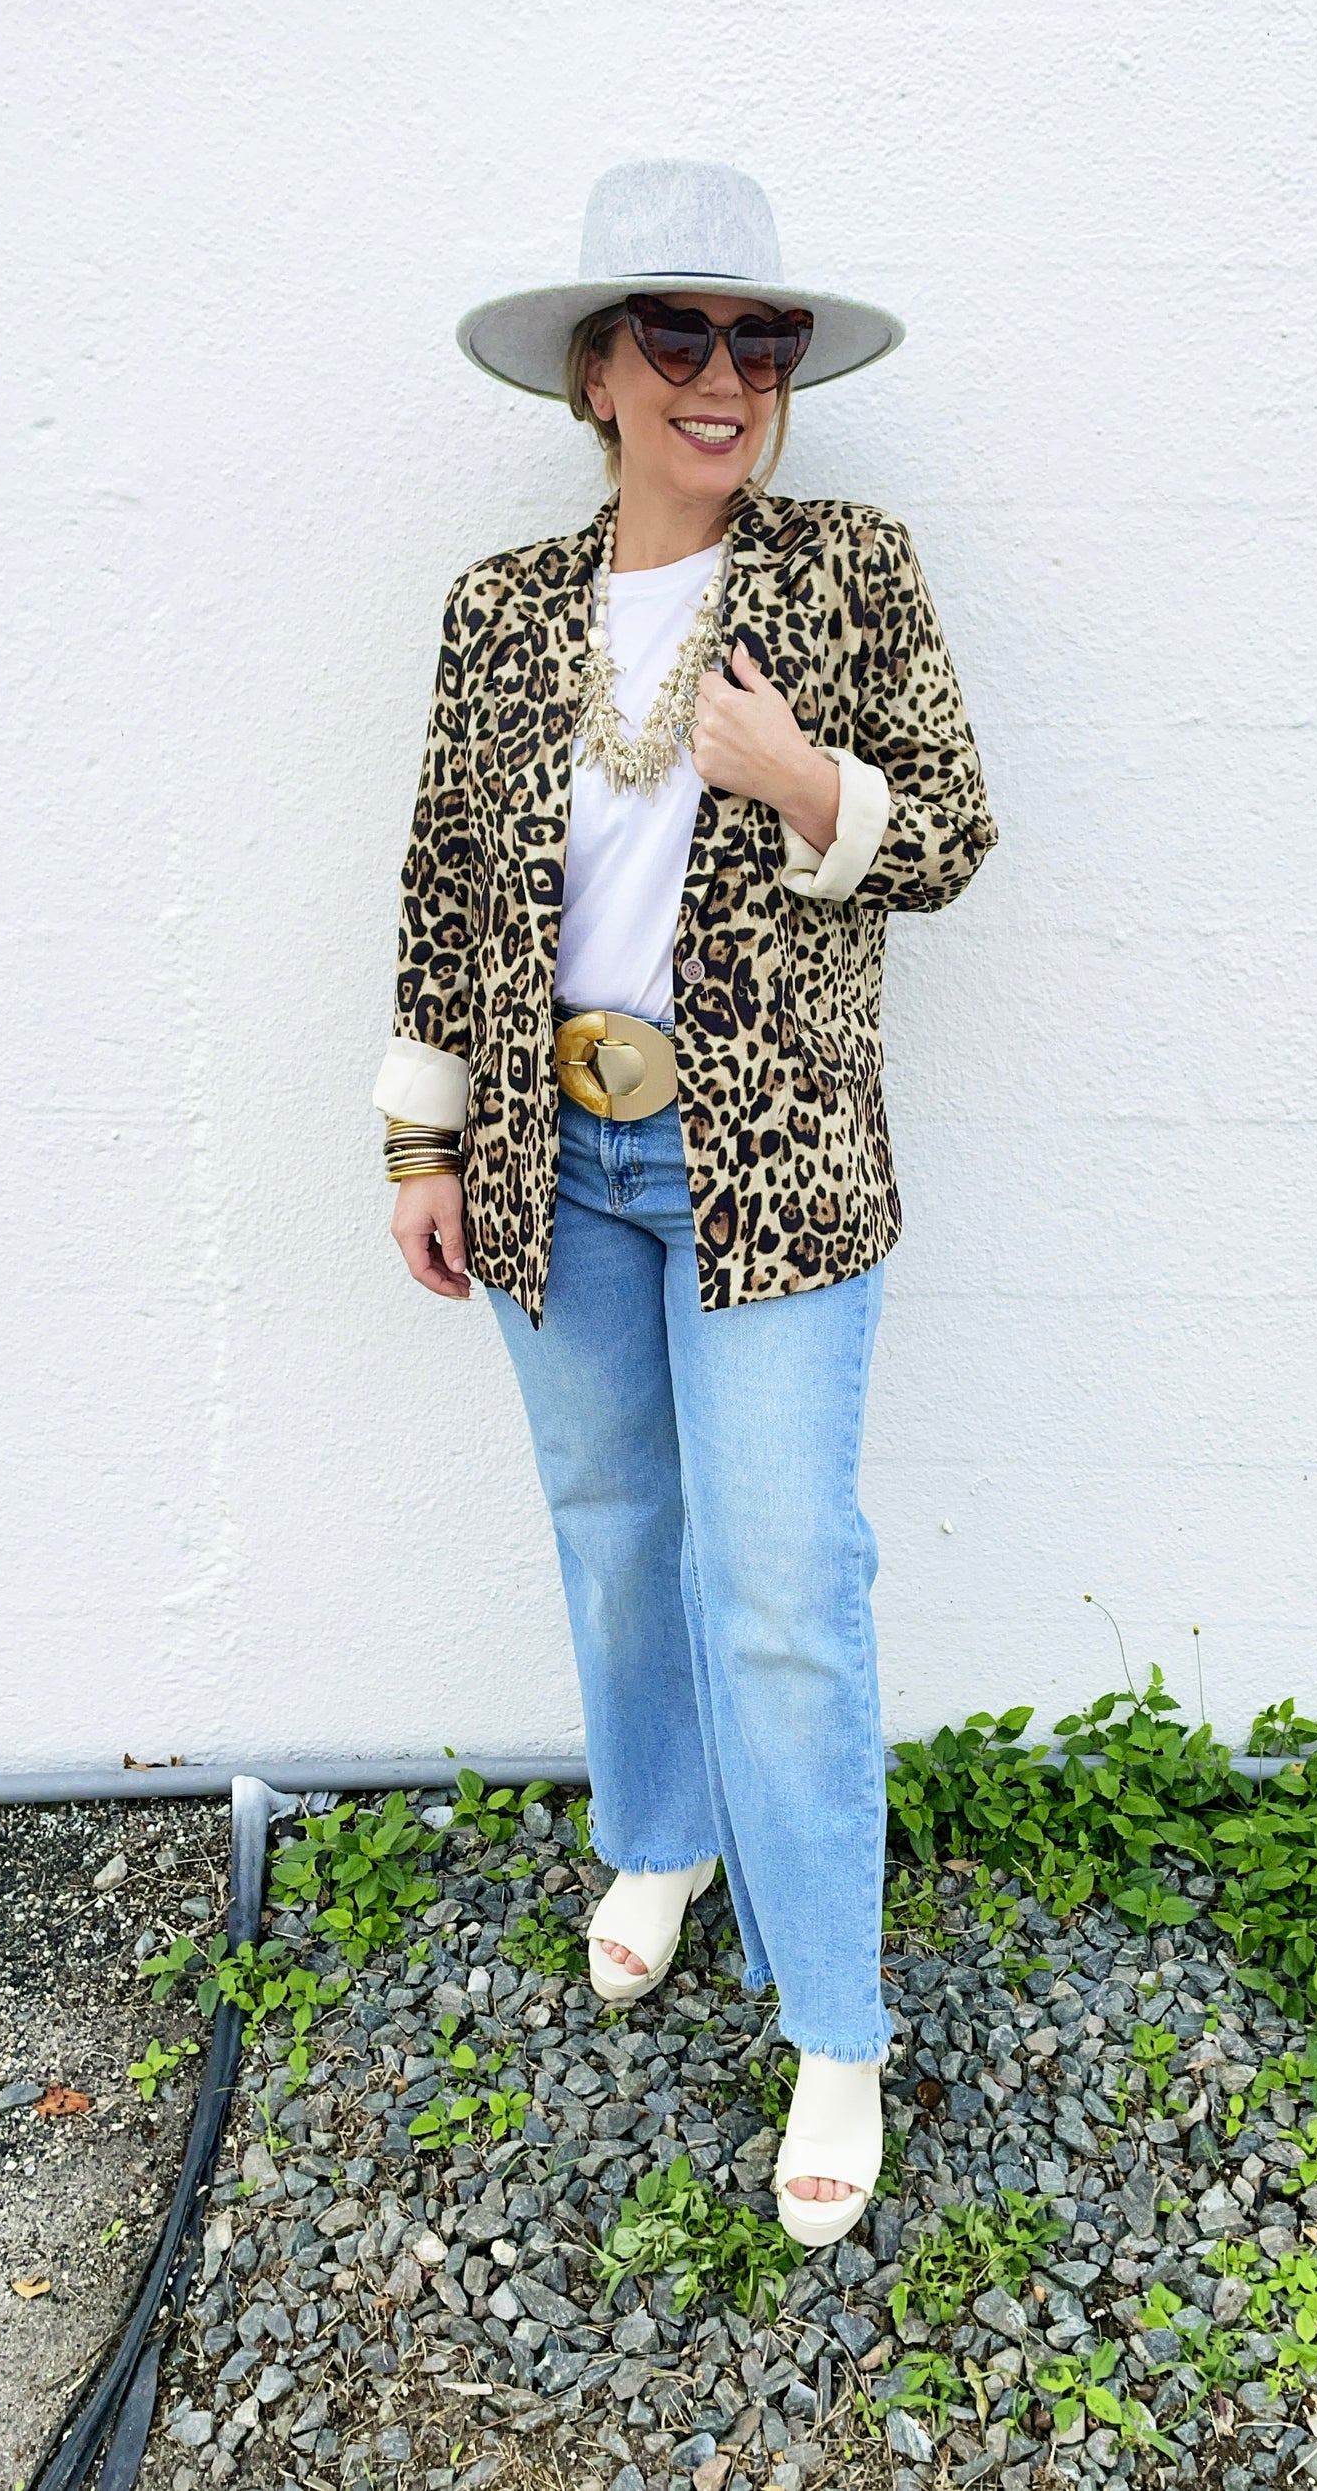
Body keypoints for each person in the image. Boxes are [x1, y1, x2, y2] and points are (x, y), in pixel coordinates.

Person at [374, 160, 997, 2248]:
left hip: (773, 1164)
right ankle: (663, 1832)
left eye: (761, 339)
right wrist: (423, 1137)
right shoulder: (499, 608)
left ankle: (834, 2016)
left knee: (784, 1582)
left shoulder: (848, 569)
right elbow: (443, 882)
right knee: (614, 1522)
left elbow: (953, 832)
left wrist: (800, 779)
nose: (723, 376)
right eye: (677, 335)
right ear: (595, 374)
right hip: (551, 1152)